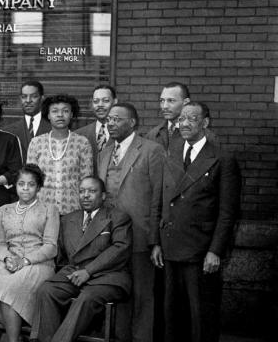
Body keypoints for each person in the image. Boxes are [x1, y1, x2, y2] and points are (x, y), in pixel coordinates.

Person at [151, 102, 240, 342]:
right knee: (171, 316)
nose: (185, 124)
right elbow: (161, 200)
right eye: (182, 119)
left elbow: (227, 212)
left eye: (192, 118)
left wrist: (215, 251)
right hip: (170, 246)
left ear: (205, 123)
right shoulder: (172, 151)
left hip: (200, 251)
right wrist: (156, 242)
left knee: (200, 316)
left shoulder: (221, 158)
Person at [33, 177, 132, 342]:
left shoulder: (118, 217)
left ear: (103, 196)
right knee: (46, 290)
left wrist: (88, 271)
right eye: (82, 191)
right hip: (75, 273)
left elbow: (119, 249)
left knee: (86, 298)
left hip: (108, 277)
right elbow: (61, 254)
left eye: (92, 191)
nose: (86, 195)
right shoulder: (68, 219)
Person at [97, 102, 165, 342]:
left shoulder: (151, 150)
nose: (110, 123)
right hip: (111, 238)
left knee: (143, 295)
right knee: (118, 293)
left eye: (117, 119)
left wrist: (155, 239)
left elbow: (159, 196)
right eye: (109, 120)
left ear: (132, 122)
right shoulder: (105, 152)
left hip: (140, 235)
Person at [0, 164, 59, 342]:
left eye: (31, 184)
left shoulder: (49, 209)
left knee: (12, 289)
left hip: (38, 263)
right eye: (21, 184)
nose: (26, 188)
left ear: (38, 187)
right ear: (15, 185)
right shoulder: (3, 210)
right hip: (9, 261)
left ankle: (13, 340)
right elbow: (0, 244)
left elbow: (51, 246)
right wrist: (7, 258)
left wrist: (25, 261)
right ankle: (19, 337)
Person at [27, 95, 93, 215]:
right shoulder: (36, 143)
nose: (60, 115)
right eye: (55, 111)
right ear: (48, 115)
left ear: (72, 114)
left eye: (65, 111)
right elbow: (30, 180)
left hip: (73, 210)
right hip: (42, 212)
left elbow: (86, 180)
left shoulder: (82, 143)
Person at [145, 82, 217, 151]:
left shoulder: (205, 136)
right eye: (162, 101)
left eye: (171, 100)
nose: (165, 106)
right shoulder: (152, 135)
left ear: (185, 102)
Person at [4, 81, 50, 163]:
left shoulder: (53, 128)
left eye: (34, 96)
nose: (28, 100)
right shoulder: (8, 131)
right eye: (24, 96)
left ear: (42, 98)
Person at [75, 85, 118, 173]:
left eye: (105, 101)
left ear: (115, 102)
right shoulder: (78, 135)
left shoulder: (125, 134)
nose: (100, 105)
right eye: (96, 101)